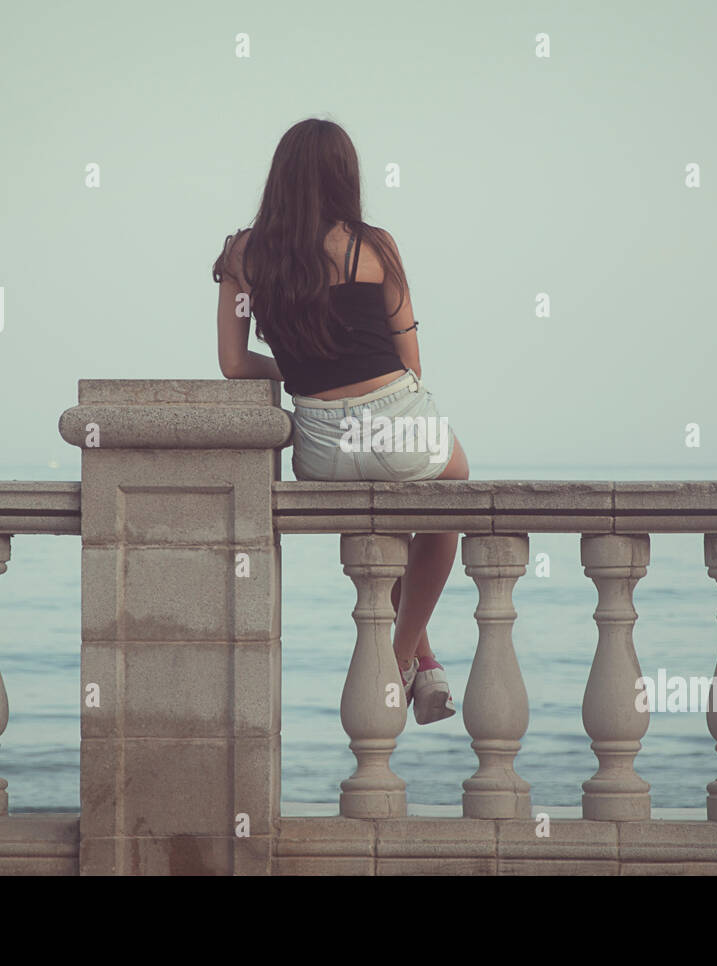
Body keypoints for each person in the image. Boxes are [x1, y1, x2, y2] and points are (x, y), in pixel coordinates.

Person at [212, 117, 467, 725]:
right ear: (344, 177)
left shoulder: (244, 255)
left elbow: (232, 363)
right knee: (453, 490)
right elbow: (410, 360)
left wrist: (307, 363)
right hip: (398, 425)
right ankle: (403, 658)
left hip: (322, 447)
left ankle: (425, 661)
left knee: (397, 515)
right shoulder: (374, 245)